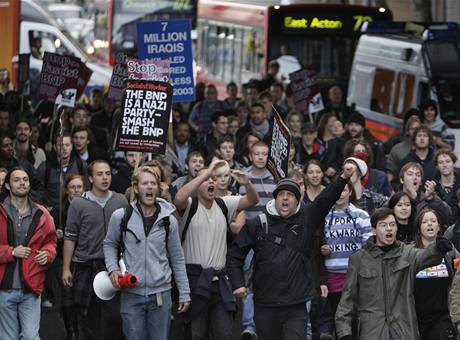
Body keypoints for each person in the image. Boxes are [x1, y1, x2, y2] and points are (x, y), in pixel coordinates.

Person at [227, 161, 357, 340]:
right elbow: (235, 254)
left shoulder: (307, 217)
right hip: (265, 304)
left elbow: (326, 199)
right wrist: (238, 283)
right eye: (281, 195)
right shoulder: (258, 223)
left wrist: (343, 177)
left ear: (298, 199)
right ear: (276, 199)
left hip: (296, 306)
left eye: (290, 195)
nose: (285, 198)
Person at [335, 208, 453, 340]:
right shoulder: (358, 259)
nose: (389, 229)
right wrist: (344, 333)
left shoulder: (407, 253)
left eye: (392, 224)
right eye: (383, 225)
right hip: (372, 332)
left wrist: (437, 248)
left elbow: (424, 257)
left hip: (402, 331)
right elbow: (347, 301)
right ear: (374, 230)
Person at [174, 159, 259, 340]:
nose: (211, 181)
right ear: (197, 184)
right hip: (194, 282)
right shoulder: (190, 205)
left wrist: (247, 183)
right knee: (197, 335)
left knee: (224, 333)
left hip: (219, 282)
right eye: (207, 179)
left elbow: (253, 199)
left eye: (214, 179)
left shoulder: (223, 203)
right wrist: (206, 172)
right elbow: (178, 198)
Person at [103, 165, 190, 340]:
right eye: (144, 183)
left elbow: (177, 258)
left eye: (153, 183)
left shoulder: (169, 221)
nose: (149, 187)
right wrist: (113, 269)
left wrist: (184, 292)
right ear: (136, 188)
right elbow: (110, 244)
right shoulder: (121, 216)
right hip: (130, 294)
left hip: (161, 295)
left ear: (158, 188)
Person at [62, 160, 129, 340]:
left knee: (116, 318)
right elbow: (70, 237)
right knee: (89, 320)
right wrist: (66, 268)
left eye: (108, 173)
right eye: (99, 174)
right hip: (86, 266)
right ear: (90, 178)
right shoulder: (78, 204)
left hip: (113, 267)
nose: (105, 177)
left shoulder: (121, 200)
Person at [0, 167, 57, 340]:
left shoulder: (42, 213)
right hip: (4, 287)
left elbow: (51, 241)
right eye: (16, 179)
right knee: (7, 338)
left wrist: (48, 254)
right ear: (8, 186)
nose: (22, 183)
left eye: (25, 179)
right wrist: (11, 252)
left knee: (31, 337)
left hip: (31, 287)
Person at [319, 182, 371, 338]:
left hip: (354, 275)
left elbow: (368, 245)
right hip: (331, 275)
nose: (340, 194)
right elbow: (317, 242)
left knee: (353, 321)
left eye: (344, 190)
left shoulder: (361, 215)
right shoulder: (324, 215)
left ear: (350, 192)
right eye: (337, 190)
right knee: (337, 319)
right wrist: (322, 248)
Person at [50, 174, 86, 340]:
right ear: (67, 190)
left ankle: (82, 329)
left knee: (80, 297)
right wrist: (54, 234)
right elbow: (46, 236)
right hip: (62, 258)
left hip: (82, 258)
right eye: (73, 187)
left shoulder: (88, 206)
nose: (76, 190)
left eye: (79, 187)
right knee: (66, 296)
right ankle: (71, 330)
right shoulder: (59, 209)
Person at [413, 208, 456, 340]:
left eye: (433, 221)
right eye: (425, 222)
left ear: (439, 227)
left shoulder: (450, 251)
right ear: (419, 229)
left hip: (443, 317)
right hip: (416, 318)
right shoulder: (410, 253)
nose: (430, 224)